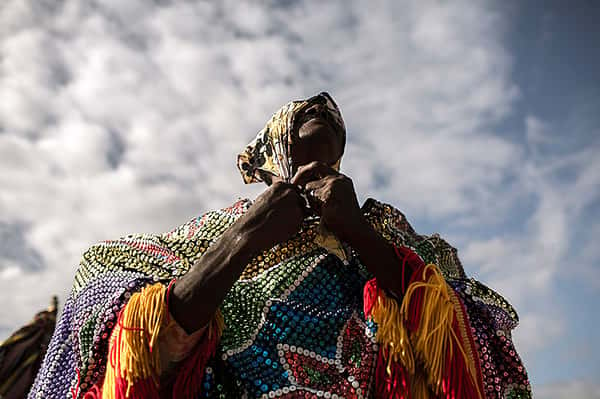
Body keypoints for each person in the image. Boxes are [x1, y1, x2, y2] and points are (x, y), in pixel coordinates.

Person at [29, 93, 531, 399]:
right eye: (301, 112)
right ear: (270, 148)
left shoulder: (390, 232)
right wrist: (245, 238)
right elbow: (106, 304)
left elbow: (483, 344)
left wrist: (359, 233)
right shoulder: (212, 232)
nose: (321, 104)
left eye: (330, 116)